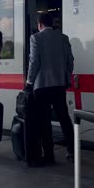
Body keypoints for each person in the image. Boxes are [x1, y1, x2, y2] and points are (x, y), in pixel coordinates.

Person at [26, 13, 74, 165]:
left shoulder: (35, 38)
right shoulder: (63, 38)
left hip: (42, 86)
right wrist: (66, 77)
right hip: (59, 85)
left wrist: (29, 82)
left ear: (40, 24)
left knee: (45, 121)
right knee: (64, 119)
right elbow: (70, 61)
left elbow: (34, 62)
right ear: (51, 23)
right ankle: (72, 151)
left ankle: (49, 155)